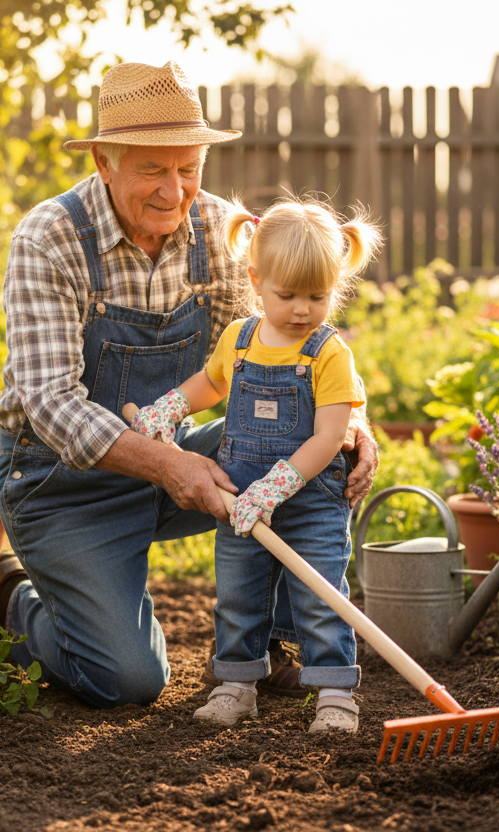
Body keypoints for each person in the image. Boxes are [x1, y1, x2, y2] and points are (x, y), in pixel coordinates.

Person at [0, 60, 379, 710]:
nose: (175, 192)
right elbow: (50, 404)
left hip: (175, 458)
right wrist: (170, 463)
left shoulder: (219, 231)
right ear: (104, 161)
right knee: (128, 680)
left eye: (188, 168)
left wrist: (350, 422)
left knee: (313, 457)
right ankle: (10, 593)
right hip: (64, 486)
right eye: (153, 169)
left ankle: (282, 645)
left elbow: (285, 345)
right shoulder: (51, 238)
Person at [131, 196, 381, 731]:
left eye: (318, 296)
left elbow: (330, 435)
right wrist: (170, 407)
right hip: (243, 496)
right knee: (239, 593)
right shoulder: (239, 340)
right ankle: (237, 685)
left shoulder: (329, 352)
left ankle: (336, 694)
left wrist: (279, 485)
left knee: (320, 596)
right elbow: (213, 382)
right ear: (256, 278)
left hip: (308, 498)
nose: (301, 309)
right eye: (286, 294)